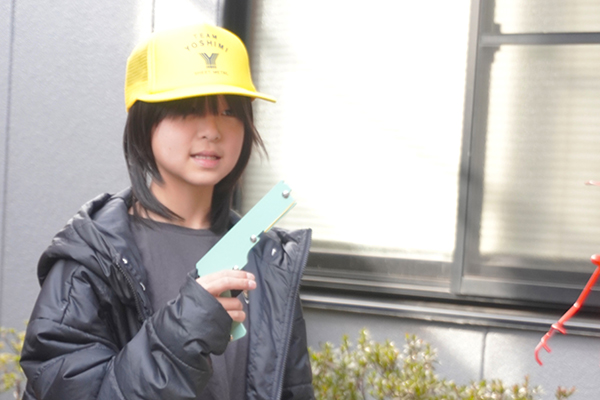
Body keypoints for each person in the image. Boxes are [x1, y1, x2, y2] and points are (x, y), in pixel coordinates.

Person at [19, 23, 314, 400]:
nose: (212, 130)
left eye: (229, 110)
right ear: (145, 121)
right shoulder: (90, 260)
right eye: (189, 109)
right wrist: (181, 332)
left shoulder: (269, 261)